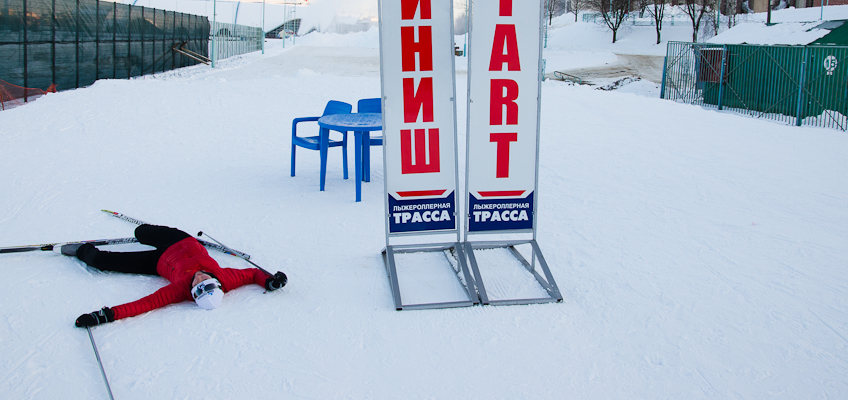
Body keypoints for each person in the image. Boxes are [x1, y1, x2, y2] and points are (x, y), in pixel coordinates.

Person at [55, 224, 287, 327]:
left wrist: (104, 316)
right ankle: (145, 234)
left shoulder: (179, 290)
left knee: (100, 262)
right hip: (179, 241)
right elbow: (254, 273)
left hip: (157, 264)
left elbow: (143, 304)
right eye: (206, 282)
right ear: (216, 284)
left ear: (193, 293)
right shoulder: (227, 278)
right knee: (140, 232)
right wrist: (271, 281)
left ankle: (80, 249)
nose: (199, 279)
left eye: (198, 286)